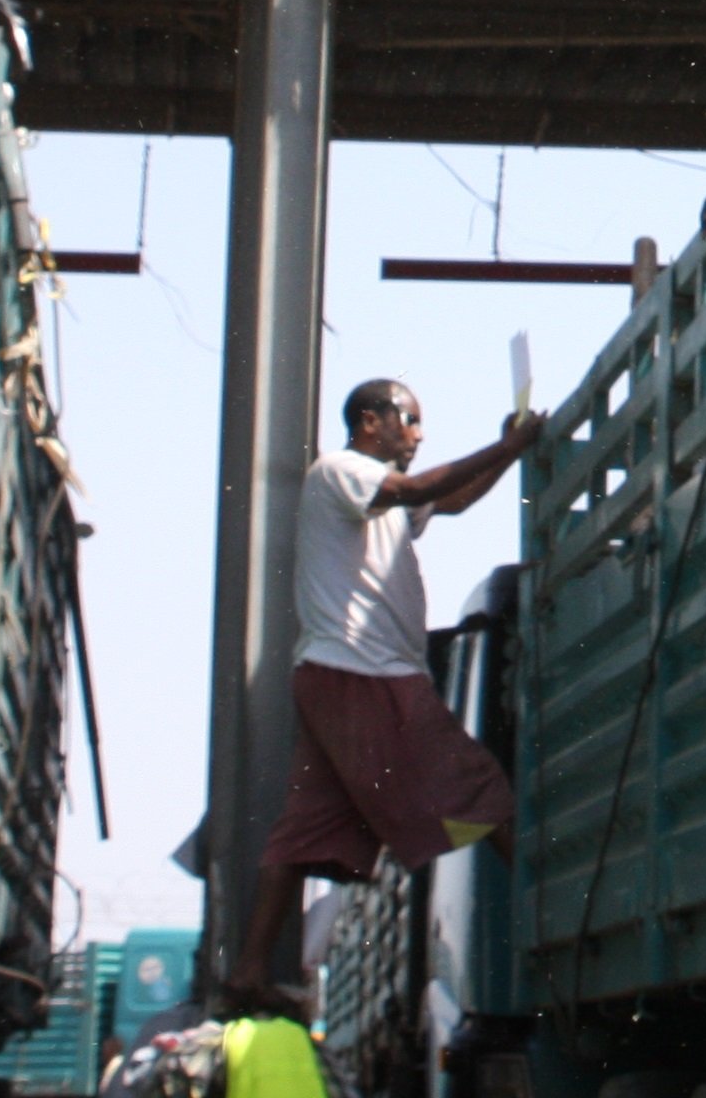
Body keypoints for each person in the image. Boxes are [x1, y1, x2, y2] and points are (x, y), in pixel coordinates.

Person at [222, 379, 541, 1010]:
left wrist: (508, 451)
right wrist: (512, 444)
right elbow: (419, 489)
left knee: (306, 827)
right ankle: (545, 914)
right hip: (364, 673)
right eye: (410, 420)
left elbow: (447, 501)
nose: (418, 436)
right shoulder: (342, 471)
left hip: (343, 674)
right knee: (478, 788)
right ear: (371, 421)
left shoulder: (378, 495)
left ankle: (248, 971)